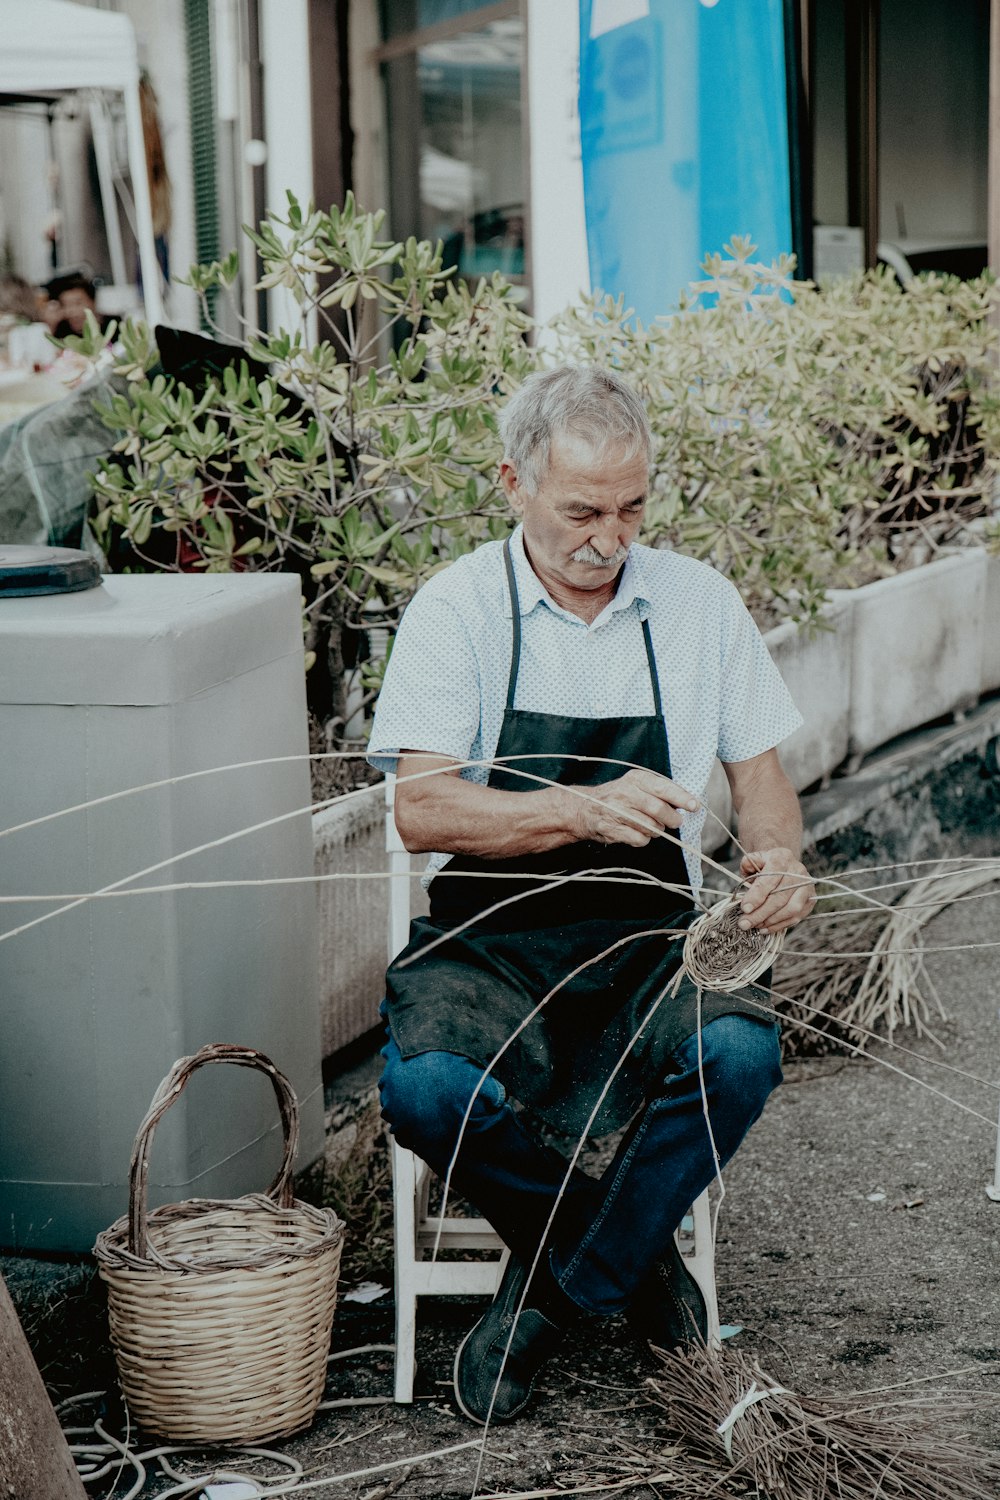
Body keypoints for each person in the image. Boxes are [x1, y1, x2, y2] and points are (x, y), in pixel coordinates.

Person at [368, 366, 816, 1425]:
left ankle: (546, 1297)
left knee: (741, 1052)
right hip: (489, 943)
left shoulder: (697, 605)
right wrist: (577, 810)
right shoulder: (457, 609)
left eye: (630, 508)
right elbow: (423, 812)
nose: (608, 537)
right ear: (512, 481)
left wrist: (777, 861)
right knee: (426, 1091)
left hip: (648, 936)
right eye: (581, 510)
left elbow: (762, 784)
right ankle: (635, 1260)